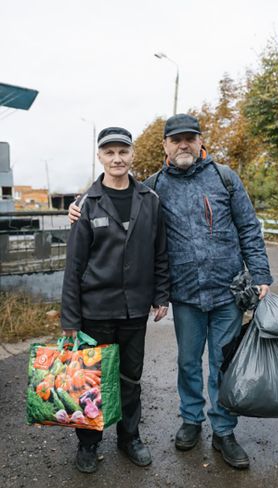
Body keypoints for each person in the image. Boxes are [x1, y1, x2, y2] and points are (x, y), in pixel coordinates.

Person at [69, 114, 273, 470]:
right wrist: (78, 204)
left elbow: (249, 229)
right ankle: (191, 420)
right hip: (187, 295)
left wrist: (260, 274)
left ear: (199, 142)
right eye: (176, 139)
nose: (183, 145)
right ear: (164, 145)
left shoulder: (225, 178)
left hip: (227, 291)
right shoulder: (154, 187)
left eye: (190, 138)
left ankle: (224, 431)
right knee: (188, 363)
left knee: (224, 365)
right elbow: (116, 193)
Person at [61, 126, 169, 474]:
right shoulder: (86, 205)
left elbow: (160, 253)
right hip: (96, 310)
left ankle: (129, 437)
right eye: (110, 152)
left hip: (134, 309)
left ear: (132, 154)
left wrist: (161, 295)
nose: (117, 158)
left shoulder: (150, 199)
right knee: (91, 379)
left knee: (130, 377)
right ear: (100, 157)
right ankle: (88, 444)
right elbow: (74, 267)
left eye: (123, 151)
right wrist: (70, 320)